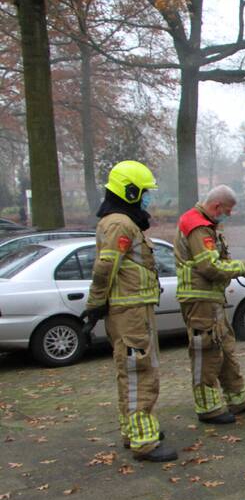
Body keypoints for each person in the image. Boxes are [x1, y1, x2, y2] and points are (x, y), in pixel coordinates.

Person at [82, 161, 177, 462]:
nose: (148, 197)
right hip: (130, 310)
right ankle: (144, 440)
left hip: (133, 308)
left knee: (134, 370)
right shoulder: (120, 224)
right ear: (131, 190)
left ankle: (134, 430)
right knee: (140, 372)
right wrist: (95, 304)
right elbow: (106, 267)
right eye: (145, 192)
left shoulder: (123, 221)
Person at [174, 185, 245, 424]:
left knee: (224, 347)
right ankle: (207, 407)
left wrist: (235, 268)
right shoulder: (198, 227)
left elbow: (215, 261)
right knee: (205, 351)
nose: (229, 215)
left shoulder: (206, 225)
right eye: (228, 210)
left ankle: (238, 398)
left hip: (210, 299)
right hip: (200, 300)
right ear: (216, 206)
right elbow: (210, 267)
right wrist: (240, 267)